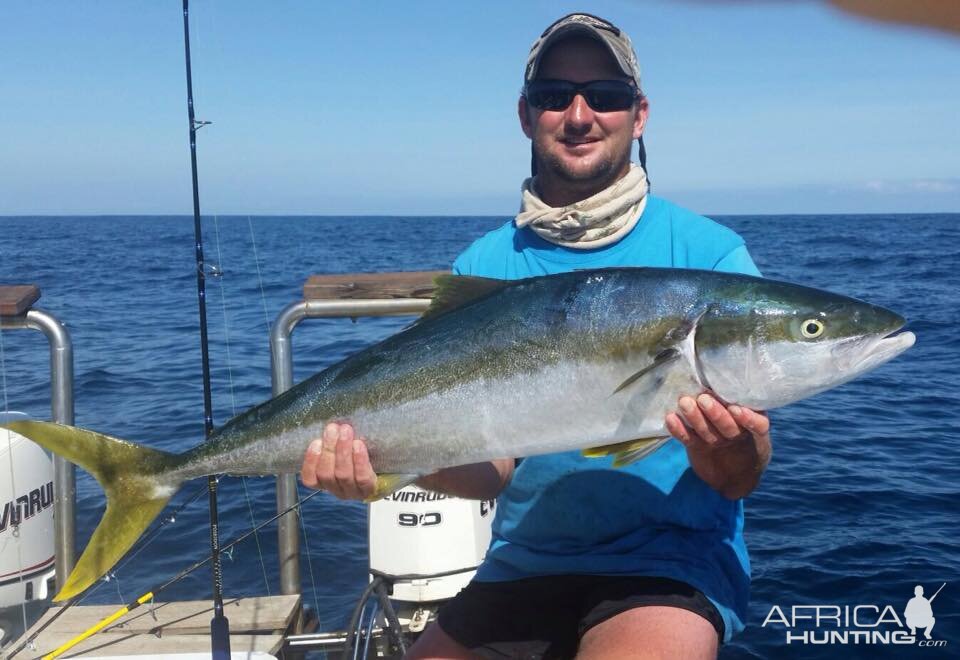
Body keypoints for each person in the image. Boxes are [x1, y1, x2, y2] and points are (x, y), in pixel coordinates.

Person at [301, 13, 772, 659]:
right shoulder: (486, 265)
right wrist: (387, 463)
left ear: (639, 114)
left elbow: (736, 480)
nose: (580, 115)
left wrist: (732, 452)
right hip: (522, 564)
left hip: (669, 565)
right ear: (526, 116)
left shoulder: (707, 256)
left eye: (604, 96)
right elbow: (492, 469)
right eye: (556, 97)